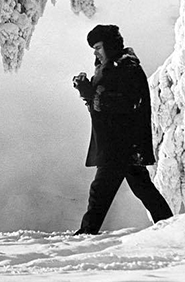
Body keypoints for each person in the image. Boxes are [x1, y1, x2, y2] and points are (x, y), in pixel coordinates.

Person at [71, 24, 172, 235]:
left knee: (102, 190)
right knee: (142, 188)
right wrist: (87, 91)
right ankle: (171, 226)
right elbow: (105, 101)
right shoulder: (116, 67)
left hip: (120, 141)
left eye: (98, 47)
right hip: (120, 141)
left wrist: (90, 94)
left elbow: (123, 104)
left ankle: (87, 232)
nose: (96, 52)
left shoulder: (126, 68)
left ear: (110, 45)